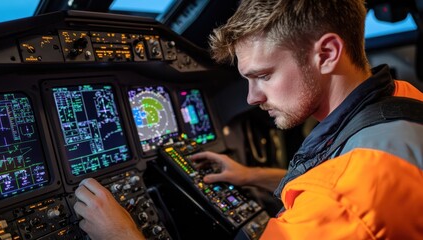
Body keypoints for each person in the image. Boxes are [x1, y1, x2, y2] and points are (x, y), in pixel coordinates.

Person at [74, 0, 423, 239]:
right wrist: (251, 175)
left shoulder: (340, 201)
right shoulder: (401, 99)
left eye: (264, 75)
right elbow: (346, 170)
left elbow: (339, 192)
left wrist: (123, 235)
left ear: (327, 54)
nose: (252, 98)